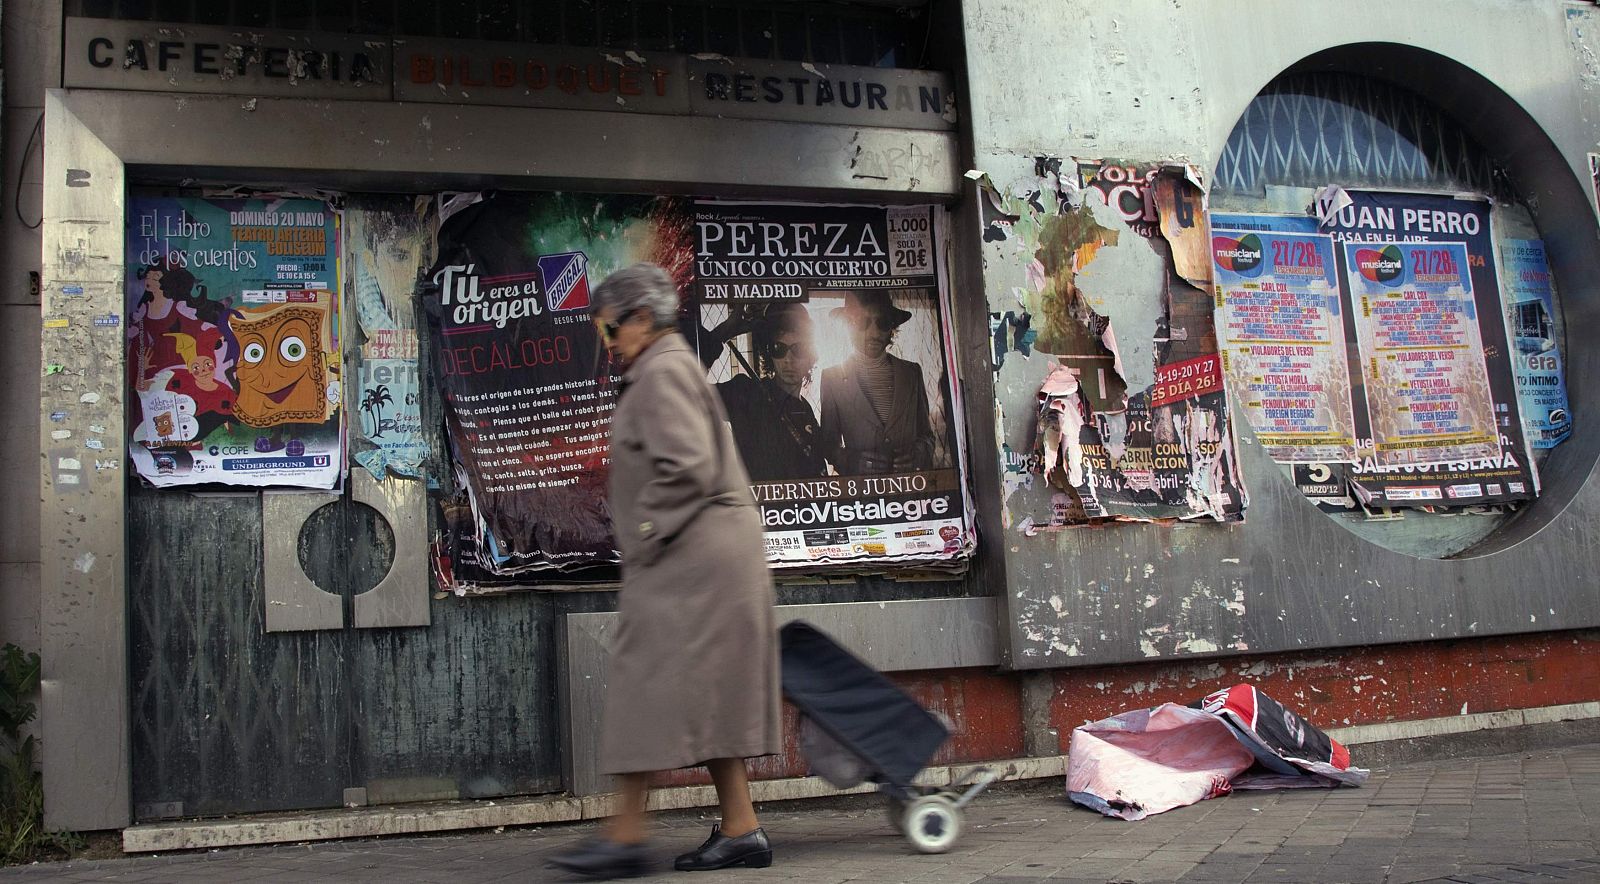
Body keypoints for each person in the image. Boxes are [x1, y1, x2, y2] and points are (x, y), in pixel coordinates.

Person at [548, 263, 782, 880]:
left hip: (688, 557)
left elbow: (688, 466)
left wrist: (644, 534)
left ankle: (625, 836)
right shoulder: (667, 365)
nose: (608, 345)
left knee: (641, 684)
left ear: (643, 320)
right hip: (703, 554)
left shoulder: (661, 371)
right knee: (699, 693)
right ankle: (740, 829)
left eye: (610, 331)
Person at [697, 303, 827, 481]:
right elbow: (684, 391)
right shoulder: (746, 392)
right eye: (778, 349)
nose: (788, 359)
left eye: (798, 349)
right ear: (769, 353)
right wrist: (723, 333)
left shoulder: (806, 411)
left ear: (811, 353)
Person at [818, 290, 935, 475]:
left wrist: (917, 455)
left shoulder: (912, 373)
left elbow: (927, 436)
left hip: (910, 495)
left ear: (891, 329)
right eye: (862, 323)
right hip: (864, 498)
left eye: (883, 323)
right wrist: (853, 462)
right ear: (848, 325)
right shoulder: (832, 379)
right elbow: (828, 445)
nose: (873, 333)